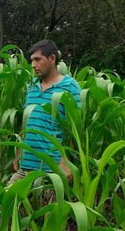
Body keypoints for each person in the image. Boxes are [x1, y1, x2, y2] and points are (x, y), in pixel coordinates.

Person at [10, 39, 81, 184]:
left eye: (37, 59)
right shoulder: (32, 87)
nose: (33, 65)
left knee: (50, 207)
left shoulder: (70, 87)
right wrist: (19, 153)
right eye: (31, 61)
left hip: (53, 171)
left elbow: (74, 129)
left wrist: (66, 162)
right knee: (5, 202)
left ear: (52, 58)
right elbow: (26, 122)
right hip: (25, 168)